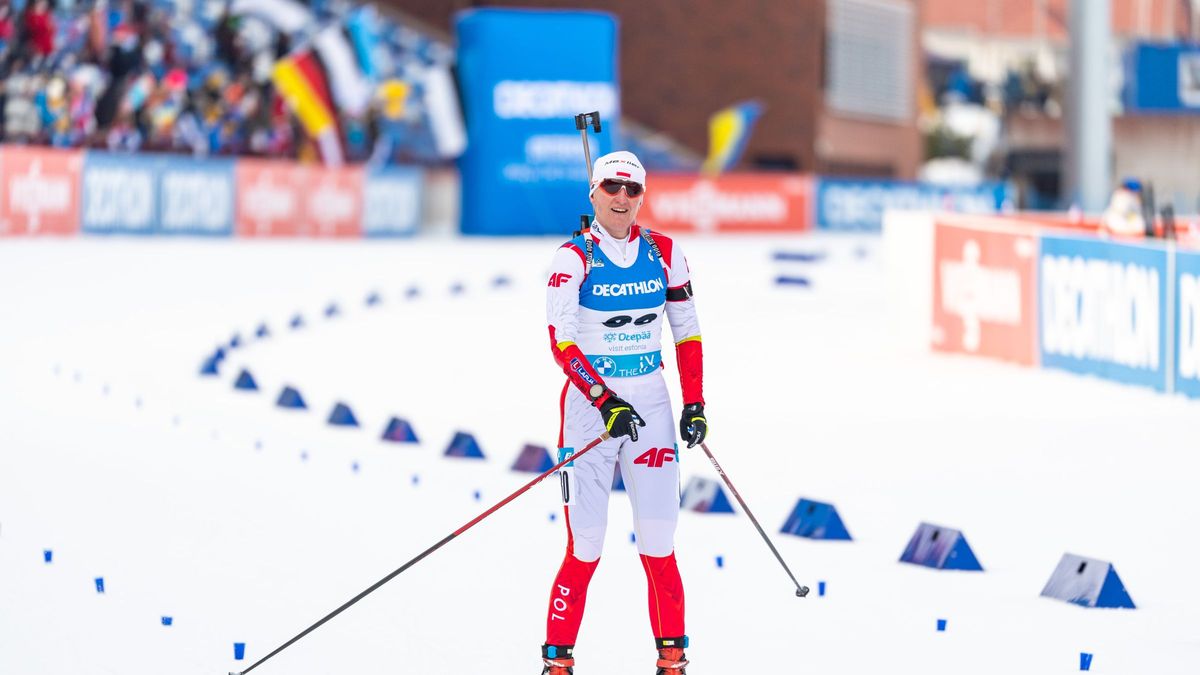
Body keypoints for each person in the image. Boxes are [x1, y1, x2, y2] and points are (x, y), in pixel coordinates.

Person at [541, 150, 707, 675]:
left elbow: (687, 331)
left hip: (651, 407)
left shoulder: (665, 252)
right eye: (611, 187)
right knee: (586, 546)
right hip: (591, 413)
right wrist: (605, 400)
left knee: (658, 541)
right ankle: (558, 663)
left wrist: (696, 402)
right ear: (593, 192)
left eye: (632, 190)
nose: (621, 198)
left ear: (642, 197)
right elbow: (561, 344)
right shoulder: (572, 259)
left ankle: (672, 661)